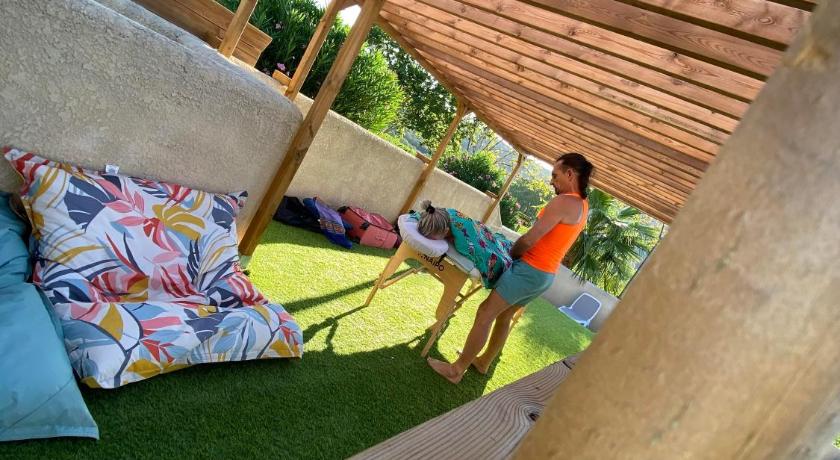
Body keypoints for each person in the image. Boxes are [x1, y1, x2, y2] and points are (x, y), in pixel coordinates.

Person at [427, 152, 593, 384]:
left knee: (485, 313)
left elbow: (530, 239)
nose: (551, 181)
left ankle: (456, 371)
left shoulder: (564, 201)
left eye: (555, 175)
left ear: (570, 174)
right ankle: (483, 362)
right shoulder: (583, 205)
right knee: (504, 317)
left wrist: (510, 256)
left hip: (530, 270)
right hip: (545, 275)